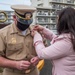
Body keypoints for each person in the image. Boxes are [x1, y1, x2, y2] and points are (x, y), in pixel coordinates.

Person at [32, 7, 75, 75]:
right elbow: (58, 41)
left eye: (58, 19)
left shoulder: (67, 42)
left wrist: (37, 36)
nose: (57, 22)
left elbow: (41, 53)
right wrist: (43, 30)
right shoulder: (71, 37)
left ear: (64, 22)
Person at [0, 5, 40, 75]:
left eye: (28, 22)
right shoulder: (3, 34)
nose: (26, 25)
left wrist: (38, 58)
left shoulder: (36, 31)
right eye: (23, 22)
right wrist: (15, 64)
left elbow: (45, 51)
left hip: (33, 72)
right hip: (12, 72)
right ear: (14, 17)